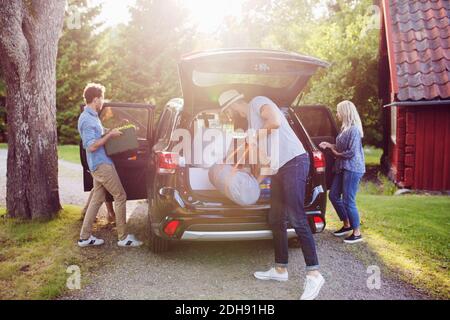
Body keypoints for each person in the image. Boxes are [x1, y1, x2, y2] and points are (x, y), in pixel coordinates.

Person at [218, 89, 325, 300]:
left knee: (296, 216)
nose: (229, 115)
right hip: (278, 169)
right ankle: (280, 269)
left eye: (227, 111)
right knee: (275, 218)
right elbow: (264, 160)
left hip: (294, 161)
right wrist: (254, 184)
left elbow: (275, 121)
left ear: (231, 106)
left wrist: (255, 135)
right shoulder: (250, 122)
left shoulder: (258, 101)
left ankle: (314, 273)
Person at [77, 83, 142, 247]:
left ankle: (85, 238)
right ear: (96, 99)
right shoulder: (86, 119)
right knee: (120, 196)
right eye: (102, 98)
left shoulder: (93, 117)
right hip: (101, 165)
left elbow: (99, 134)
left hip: (100, 164)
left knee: (96, 200)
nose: (103, 101)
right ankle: (123, 238)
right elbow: (90, 145)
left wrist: (114, 131)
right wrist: (109, 135)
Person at [319, 100, 365, 244]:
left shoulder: (354, 130)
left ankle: (357, 233)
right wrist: (330, 144)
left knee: (348, 200)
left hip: (352, 168)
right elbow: (340, 146)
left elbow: (351, 152)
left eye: (338, 111)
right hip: (342, 167)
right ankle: (346, 224)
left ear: (345, 112)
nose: (337, 114)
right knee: (333, 195)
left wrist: (333, 150)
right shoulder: (345, 128)